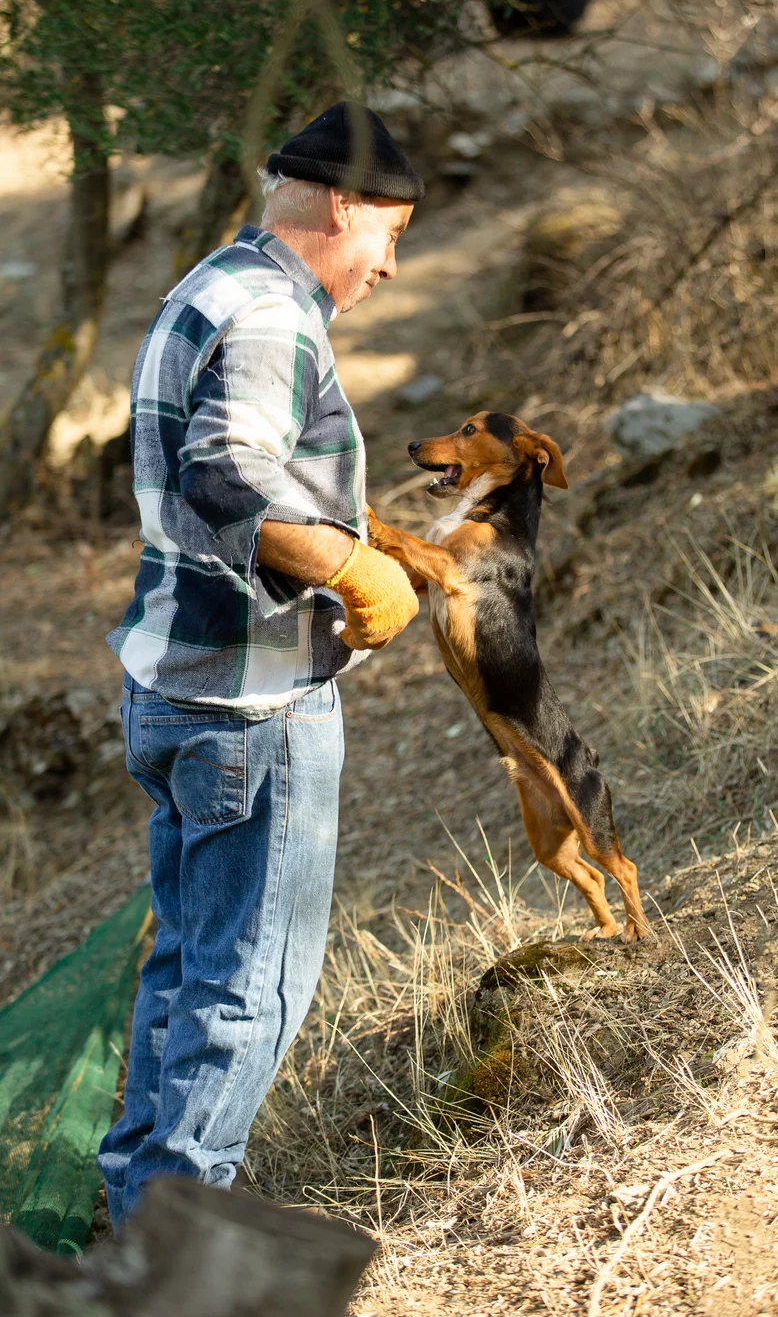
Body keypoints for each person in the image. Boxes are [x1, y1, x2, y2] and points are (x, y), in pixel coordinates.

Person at [98, 101, 423, 1228]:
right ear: (344, 205)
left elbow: (210, 467)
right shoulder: (280, 313)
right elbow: (228, 474)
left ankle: (138, 1210)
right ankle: (175, 1259)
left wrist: (346, 519)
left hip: (170, 690)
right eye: (391, 233)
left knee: (187, 970)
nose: (388, 264)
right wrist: (354, 569)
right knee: (248, 992)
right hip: (252, 702)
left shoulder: (209, 284)